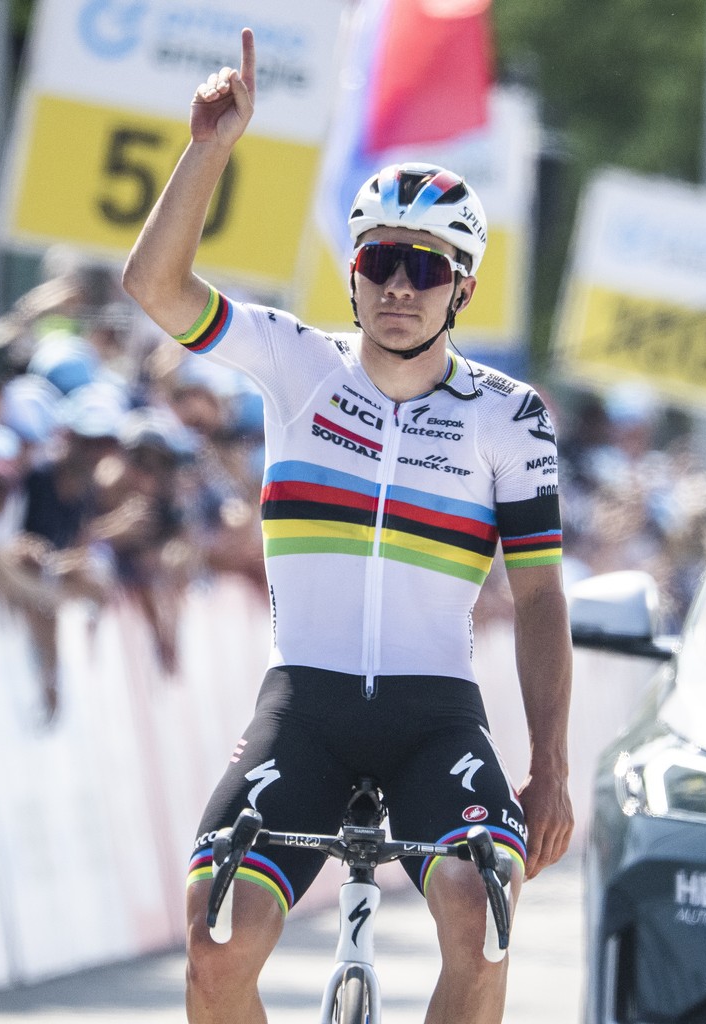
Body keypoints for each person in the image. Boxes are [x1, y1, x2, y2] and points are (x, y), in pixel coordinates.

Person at [120, 31, 572, 1024]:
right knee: (217, 935)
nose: (401, 285)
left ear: (465, 284)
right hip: (308, 707)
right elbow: (156, 289)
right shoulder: (297, 363)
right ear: (354, 270)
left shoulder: (512, 415)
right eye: (382, 261)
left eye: (427, 265)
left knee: (478, 915)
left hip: (435, 718)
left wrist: (552, 766)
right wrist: (210, 147)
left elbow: (539, 596)